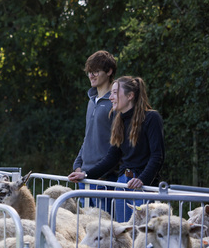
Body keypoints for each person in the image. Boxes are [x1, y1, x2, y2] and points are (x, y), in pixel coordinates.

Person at [68, 76, 165, 222]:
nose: (111, 97)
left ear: (130, 95)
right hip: (122, 183)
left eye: (114, 93)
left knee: (141, 234)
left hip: (143, 188)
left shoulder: (151, 118)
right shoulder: (118, 120)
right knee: (123, 231)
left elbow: (157, 156)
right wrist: (86, 176)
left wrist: (142, 180)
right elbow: (111, 158)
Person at [72, 50, 118, 213]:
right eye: (89, 72)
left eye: (96, 71)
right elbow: (88, 137)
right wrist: (78, 165)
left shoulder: (115, 102)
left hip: (104, 180)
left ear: (109, 71)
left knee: (105, 231)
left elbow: (118, 144)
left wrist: (100, 171)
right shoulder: (91, 101)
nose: (91, 75)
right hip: (85, 178)